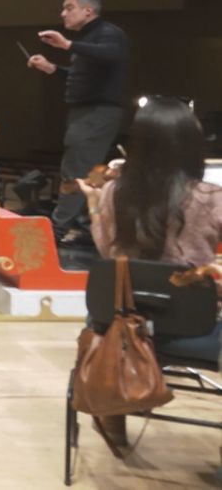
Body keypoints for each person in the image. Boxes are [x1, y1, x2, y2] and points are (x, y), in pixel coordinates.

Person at [76, 96, 221, 452]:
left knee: (117, 289)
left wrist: (93, 204)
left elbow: (109, 254)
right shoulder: (212, 197)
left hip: (119, 328)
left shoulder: (114, 192)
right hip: (197, 332)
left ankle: (113, 412)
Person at [27, 0, 129, 241]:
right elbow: (82, 78)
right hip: (87, 112)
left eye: (69, 7)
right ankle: (86, 225)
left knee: (74, 170)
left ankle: (56, 230)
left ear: (88, 10)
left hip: (97, 113)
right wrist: (51, 68)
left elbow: (113, 55)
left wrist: (68, 44)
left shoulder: (109, 34)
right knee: (88, 170)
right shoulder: (88, 39)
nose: (63, 13)